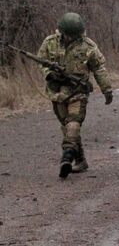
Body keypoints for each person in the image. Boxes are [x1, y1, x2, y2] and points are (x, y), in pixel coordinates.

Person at [37, 12, 113, 178]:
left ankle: (67, 156)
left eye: (74, 35)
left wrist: (107, 90)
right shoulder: (50, 43)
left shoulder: (88, 46)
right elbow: (41, 61)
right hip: (56, 92)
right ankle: (80, 160)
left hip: (78, 91)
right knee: (67, 127)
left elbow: (99, 69)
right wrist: (49, 74)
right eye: (68, 35)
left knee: (74, 123)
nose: (71, 38)